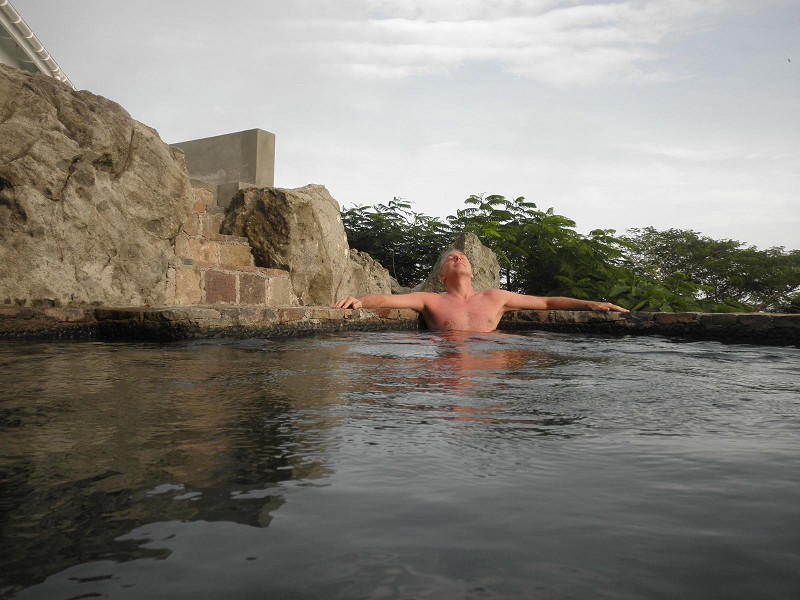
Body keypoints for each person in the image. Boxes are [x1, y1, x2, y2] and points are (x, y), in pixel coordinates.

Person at [334, 250, 629, 332]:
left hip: (487, 369)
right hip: (446, 375)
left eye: (463, 257)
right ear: (442, 276)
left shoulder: (495, 297)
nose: (458, 257)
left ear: (473, 272)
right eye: (451, 258)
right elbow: (386, 299)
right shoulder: (430, 299)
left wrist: (591, 304)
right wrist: (359, 301)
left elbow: (546, 302)